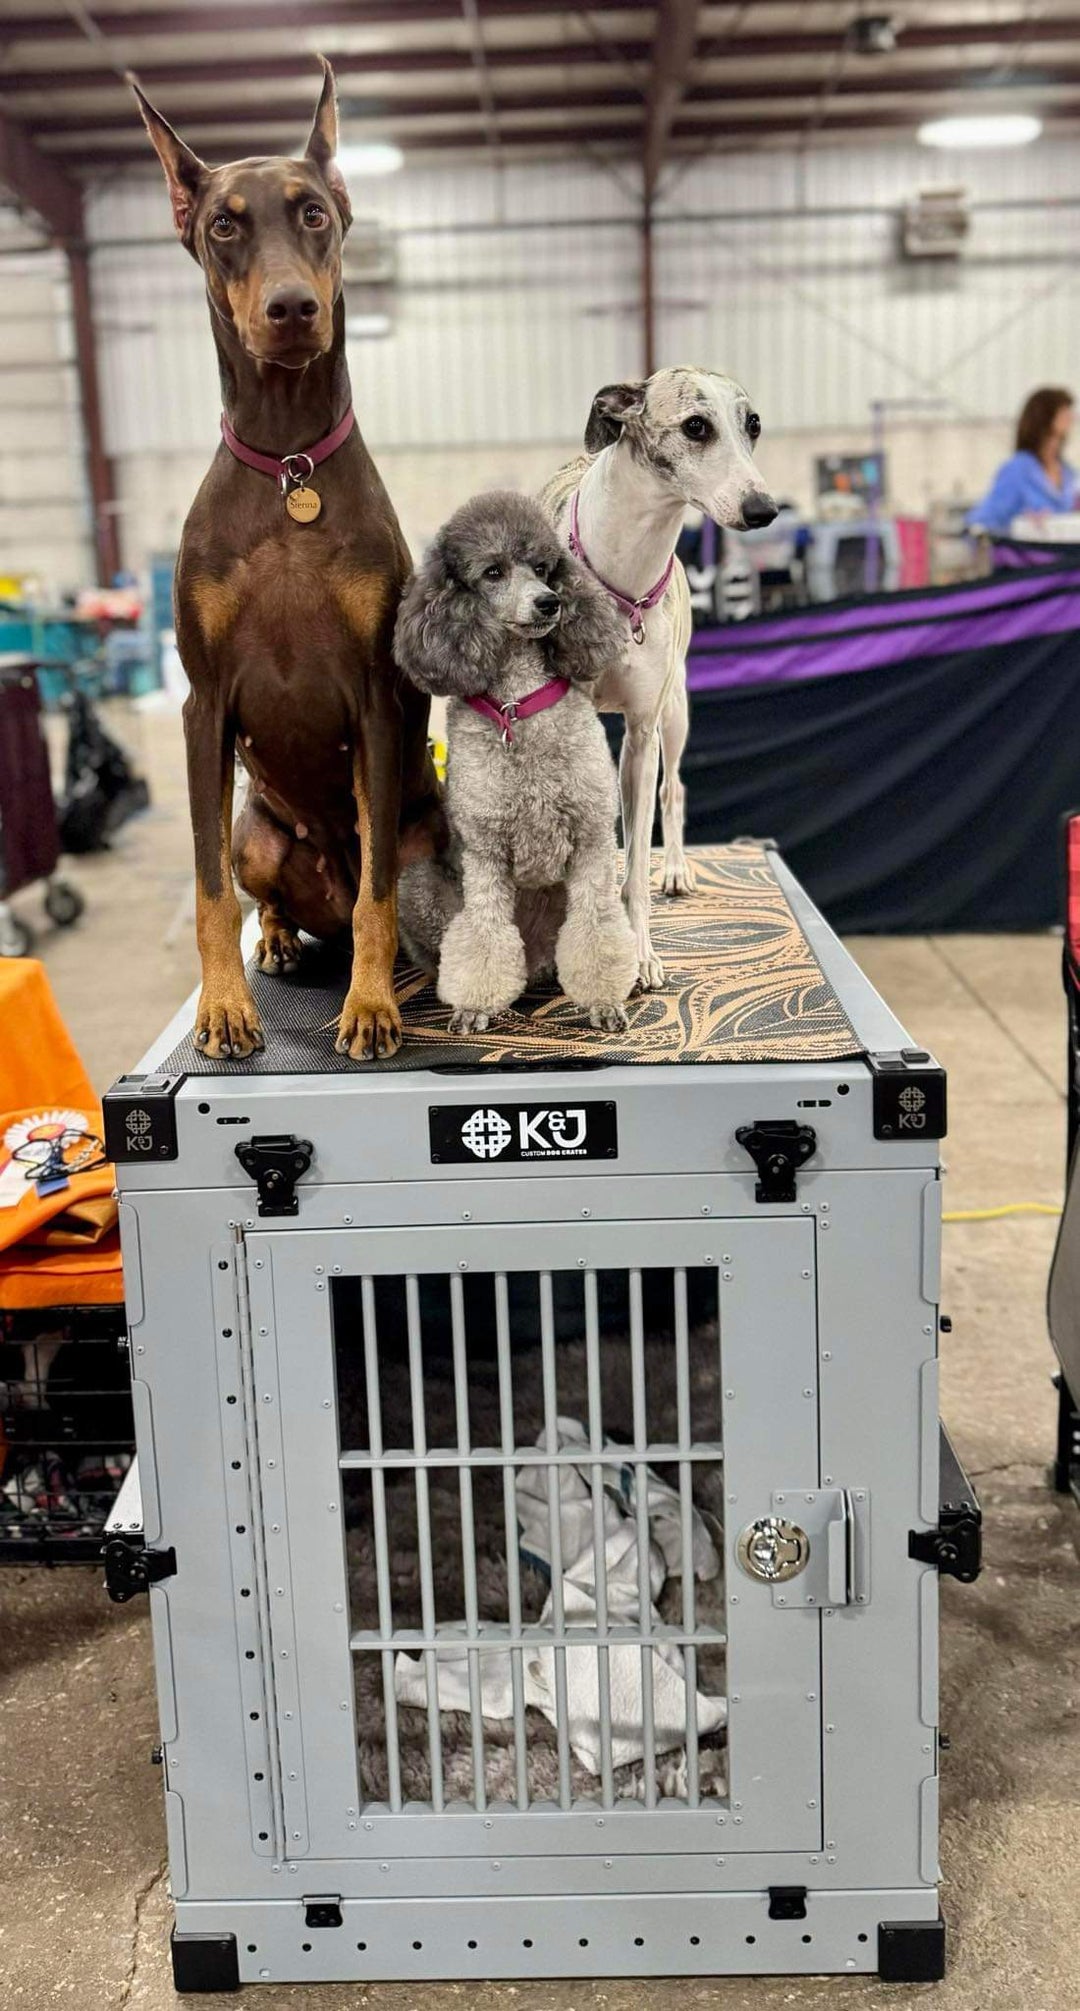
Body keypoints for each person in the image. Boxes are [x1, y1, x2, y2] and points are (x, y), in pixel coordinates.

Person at [967, 386, 1077, 532]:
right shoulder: (1018, 470)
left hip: (1065, 552)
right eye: (1064, 412)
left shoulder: (1068, 473)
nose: (1072, 417)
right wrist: (1021, 522)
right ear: (1044, 416)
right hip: (1026, 551)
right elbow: (984, 520)